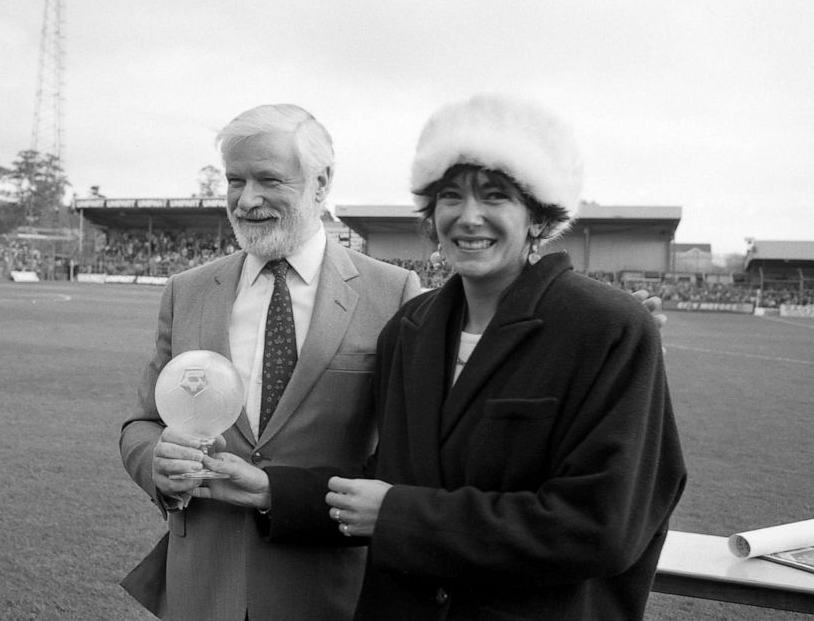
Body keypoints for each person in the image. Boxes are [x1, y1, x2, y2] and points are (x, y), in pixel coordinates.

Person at [201, 93, 687, 620]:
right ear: (431, 216)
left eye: (496, 196)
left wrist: (398, 515)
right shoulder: (411, 330)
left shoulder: (609, 328)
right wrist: (274, 490)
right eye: (450, 196)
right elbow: (386, 477)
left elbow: (602, 526)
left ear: (539, 218)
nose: (468, 217)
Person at [119, 103, 423, 621]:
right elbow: (144, 422)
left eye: (269, 179)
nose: (247, 199)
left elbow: (404, 459)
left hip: (325, 589)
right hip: (202, 588)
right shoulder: (186, 291)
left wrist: (279, 494)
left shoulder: (393, 293)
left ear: (321, 182)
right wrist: (157, 463)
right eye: (235, 180)